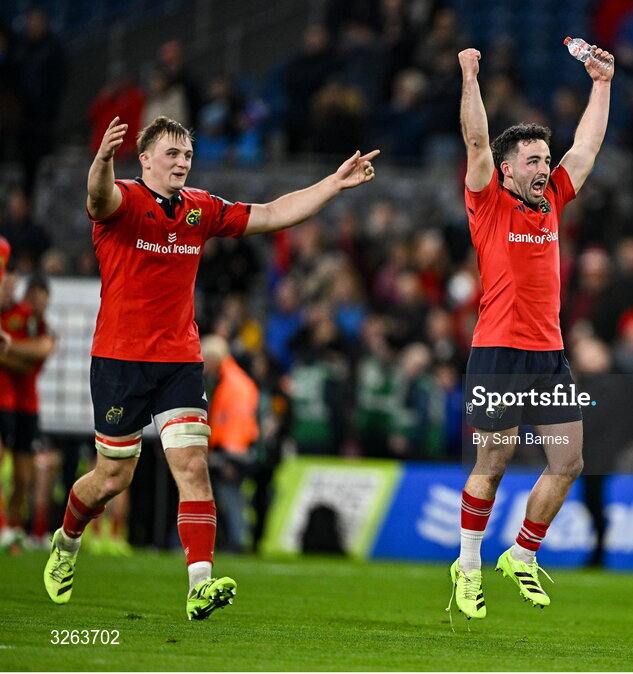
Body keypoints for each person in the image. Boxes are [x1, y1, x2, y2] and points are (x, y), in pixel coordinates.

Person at [42, 115, 378, 620]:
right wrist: (101, 160)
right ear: (147, 159)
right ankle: (66, 542)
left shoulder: (200, 209)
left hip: (179, 359)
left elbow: (270, 213)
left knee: (193, 467)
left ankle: (200, 583)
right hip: (120, 360)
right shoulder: (124, 201)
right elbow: (98, 197)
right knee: (113, 477)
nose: (182, 162)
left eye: (188, 155)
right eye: (172, 154)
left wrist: (333, 183)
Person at [448, 44, 614, 620]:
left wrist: (602, 83)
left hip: (548, 352)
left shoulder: (553, 204)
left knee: (568, 460)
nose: (546, 168)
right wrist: (471, 74)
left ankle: (522, 553)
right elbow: (474, 141)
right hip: (497, 350)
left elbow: (587, 148)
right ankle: (468, 566)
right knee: (494, 459)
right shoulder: (487, 201)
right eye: (534, 161)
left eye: (547, 159)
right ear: (508, 168)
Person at [0, 276, 55, 552]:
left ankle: (13, 527)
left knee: (23, 477)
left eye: (42, 299)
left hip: (28, 406)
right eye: (33, 297)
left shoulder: (43, 328)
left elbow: (38, 354)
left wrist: (8, 350)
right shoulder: (13, 316)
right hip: (5, 401)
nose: (36, 303)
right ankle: (4, 528)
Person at [201, 334, 259, 552]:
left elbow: (236, 422)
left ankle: (238, 540)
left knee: (231, 497)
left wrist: (229, 458)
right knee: (231, 497)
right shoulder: (232, 379)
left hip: (232, 451)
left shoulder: (232, 384)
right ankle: (236, 538)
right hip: (234, 448)